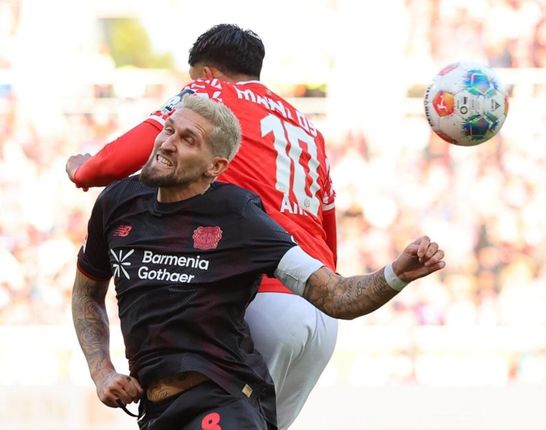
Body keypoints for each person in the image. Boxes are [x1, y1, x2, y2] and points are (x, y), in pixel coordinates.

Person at [72, 94, 446, 430]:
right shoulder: (117, 202)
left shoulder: (238, 215)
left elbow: (335, 296)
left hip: (222, 401)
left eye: (188, 140)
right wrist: (102, 372)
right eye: (169, 129)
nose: (167, 143)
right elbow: (87, 293)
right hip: (156, 413)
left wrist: (396, 274)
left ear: (214, 167)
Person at [66, 24, 339, 428]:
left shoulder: (210, 95)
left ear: (206, 74)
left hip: (262, 297)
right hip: (319, 313)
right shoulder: (308, 127)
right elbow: (327, 225)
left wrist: (82, 169)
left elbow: (122, 156)